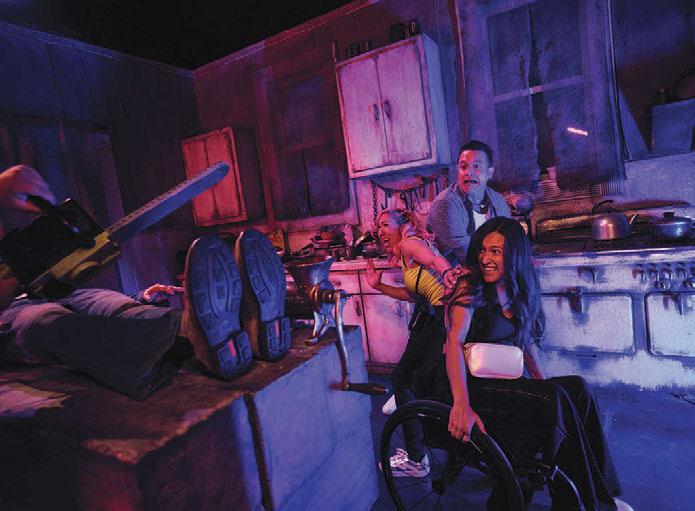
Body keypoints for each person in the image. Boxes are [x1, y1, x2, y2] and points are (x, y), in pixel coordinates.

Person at [422, 217, 631, 510]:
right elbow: (454, 342)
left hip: (499, 381)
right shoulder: (470, 286)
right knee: (555, 399)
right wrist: (461, 405)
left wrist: (542, 382)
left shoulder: (517, 288)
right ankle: (583, 503)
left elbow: (527, 342)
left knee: (577, 389)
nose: (486, 259)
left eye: (496, 251)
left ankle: (600, 492)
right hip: (464, 383)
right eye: (483, 250)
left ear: (514, 256)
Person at [0, 165, 253, 399]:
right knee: (46, 322)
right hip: (10, 311)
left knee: (110, 301)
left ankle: (209, 329)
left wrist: (140, 297)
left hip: (48, 291)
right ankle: (196, 340)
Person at [366, 208, 457, 477]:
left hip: (444, 316)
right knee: (421, 379)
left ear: (402, 225)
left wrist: (449, 273)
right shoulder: (406, 254)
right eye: (378, 227)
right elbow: (411, 294)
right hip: (438, 314)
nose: (380, 231)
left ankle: (417, 460)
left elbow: (434, 260)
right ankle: (435, 444)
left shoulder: (410, 244)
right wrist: (378, 286)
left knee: (401, 378)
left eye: (385, 224)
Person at [427, 140, 511, 265]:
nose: (468, 172)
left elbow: (508, 241)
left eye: (476, 166)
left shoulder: (498, 201)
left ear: (490, 173)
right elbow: (466, 254)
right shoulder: (446, 204)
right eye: (463, 167)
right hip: (453, 272)